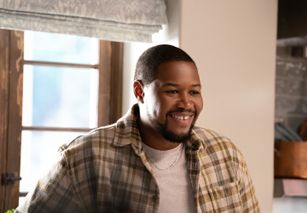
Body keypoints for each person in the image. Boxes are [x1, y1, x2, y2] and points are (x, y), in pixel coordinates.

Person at [16, 44, 260, 212]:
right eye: (172, 91)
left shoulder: (226, 155)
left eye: (194, 91)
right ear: (139, 91)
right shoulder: (85, 157)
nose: (187, 103)